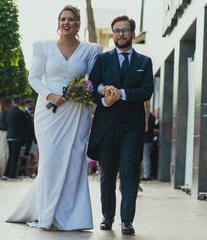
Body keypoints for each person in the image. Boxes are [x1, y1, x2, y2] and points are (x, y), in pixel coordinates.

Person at [5, 5, 102, 231]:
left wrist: (86, 91)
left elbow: (93, 80)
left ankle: (73, 218)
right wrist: (51, 95)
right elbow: (35, 78)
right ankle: (46, 213)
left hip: (77, 112)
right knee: (50, 161)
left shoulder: (91, 50)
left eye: (71, 19)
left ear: (78, 24)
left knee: (74, 162)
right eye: (62, 19)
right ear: (58, 23)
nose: (66, 23)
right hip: (49, 111)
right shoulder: (43, 47)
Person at [87, 15, 154, 235]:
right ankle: (107, 217)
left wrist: (122, 93)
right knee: (107, 174)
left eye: (124, 30)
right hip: (106, 126)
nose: (120, 34)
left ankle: (127, 220)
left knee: (129, 172)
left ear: (133, 34)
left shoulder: (144, 62)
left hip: (131, 128)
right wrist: (104, 93)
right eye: (116, 30)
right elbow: (91, 86)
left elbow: (147, 91)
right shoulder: (103, 59)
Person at [3, 96, 29, 180]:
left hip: (9, 136)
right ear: (19, 102)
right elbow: (26, 123)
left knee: (10, 156)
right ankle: (12, 175)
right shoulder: (20, 112)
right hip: (17, 137)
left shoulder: (8, 112)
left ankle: (6, 174)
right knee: (15, 157)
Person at [0, 97, 12, 177]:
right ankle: (1, 171)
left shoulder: (3, 113)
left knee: (0, 153)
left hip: (1, 135)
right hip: (3, 134)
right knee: (3, 153)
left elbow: (2, 125)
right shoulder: (7, 113)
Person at [141, 101, 155, 181]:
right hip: (148, 139)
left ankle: (146, 175)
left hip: (145, 139)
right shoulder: (152, 116)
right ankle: (145, 174)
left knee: (145, 157)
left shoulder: (146, 117)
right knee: (145, 157)